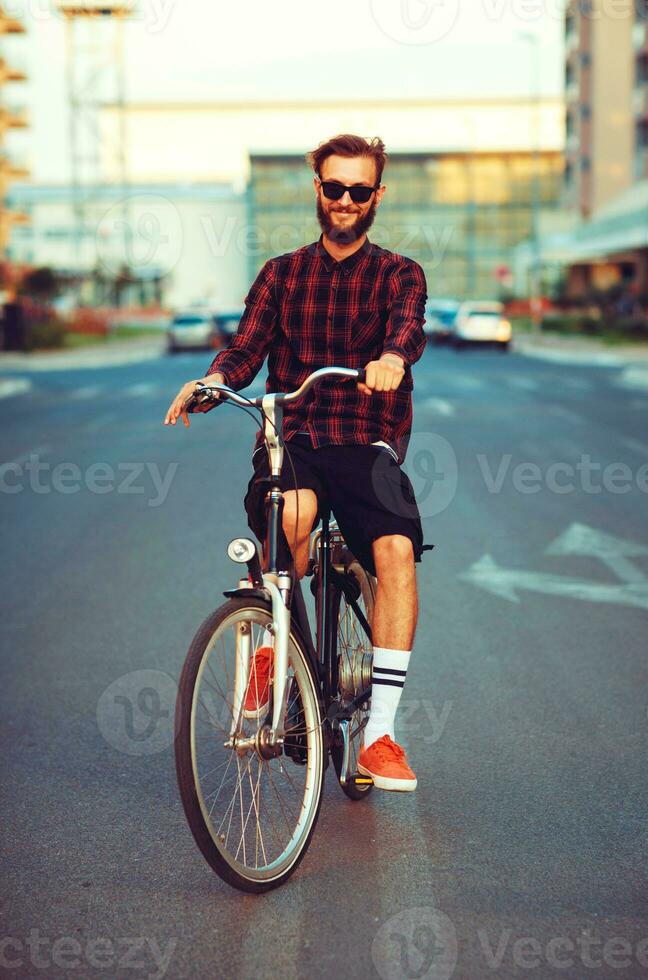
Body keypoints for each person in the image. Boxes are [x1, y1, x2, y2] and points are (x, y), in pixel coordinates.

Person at [164, 133, 428, 792]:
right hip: (293, 434)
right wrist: (213, 379)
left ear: (375, 196)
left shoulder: (398, 273)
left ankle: (380, 736)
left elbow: (407, 327)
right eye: (333, 187)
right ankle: (269, 647)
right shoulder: (282, 274)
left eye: (358, 190)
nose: (344, 200)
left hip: (364, 438)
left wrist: (392, 358)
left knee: (394, 550)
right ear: (317, 190)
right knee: (294, 516)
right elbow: (248, 342)